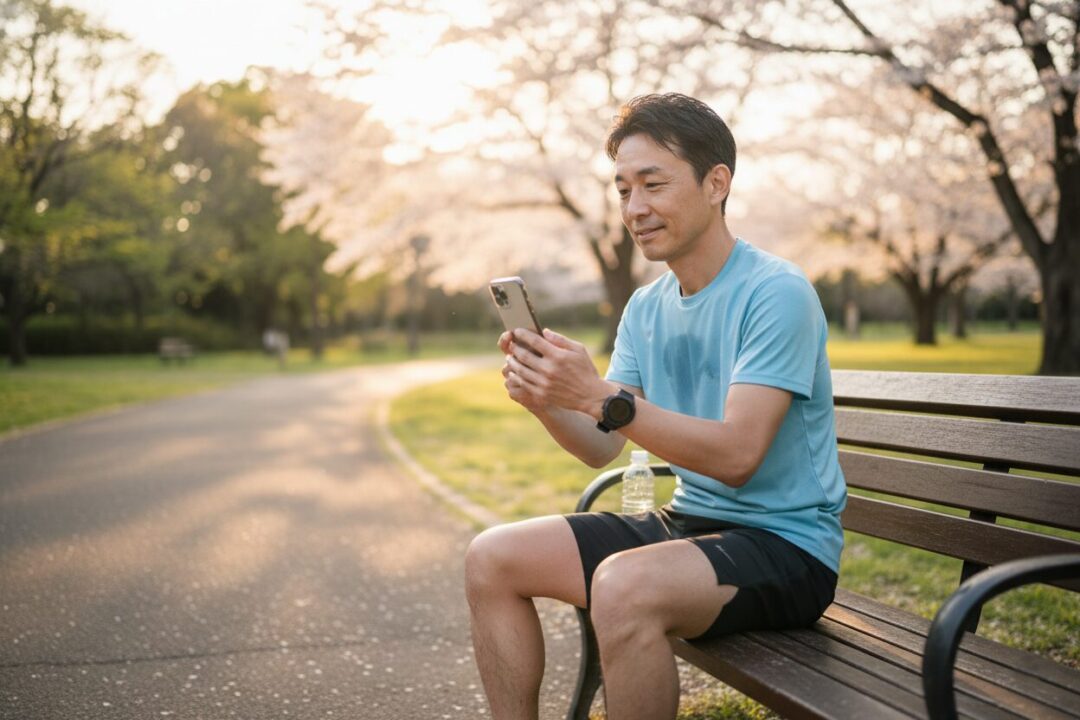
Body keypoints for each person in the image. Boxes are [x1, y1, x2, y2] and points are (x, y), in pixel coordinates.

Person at [464, 93, 847, 720]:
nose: (634, 209)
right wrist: (549, 400)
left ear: (716, 183)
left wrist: (596, 395)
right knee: (492, 558)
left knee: (622, 586)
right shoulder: (646, 306)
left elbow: (738, 456)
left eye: (652, 184)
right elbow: (601, 446)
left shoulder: (776, 293)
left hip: (788, 548)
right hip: (690, 523)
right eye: (621, 190)